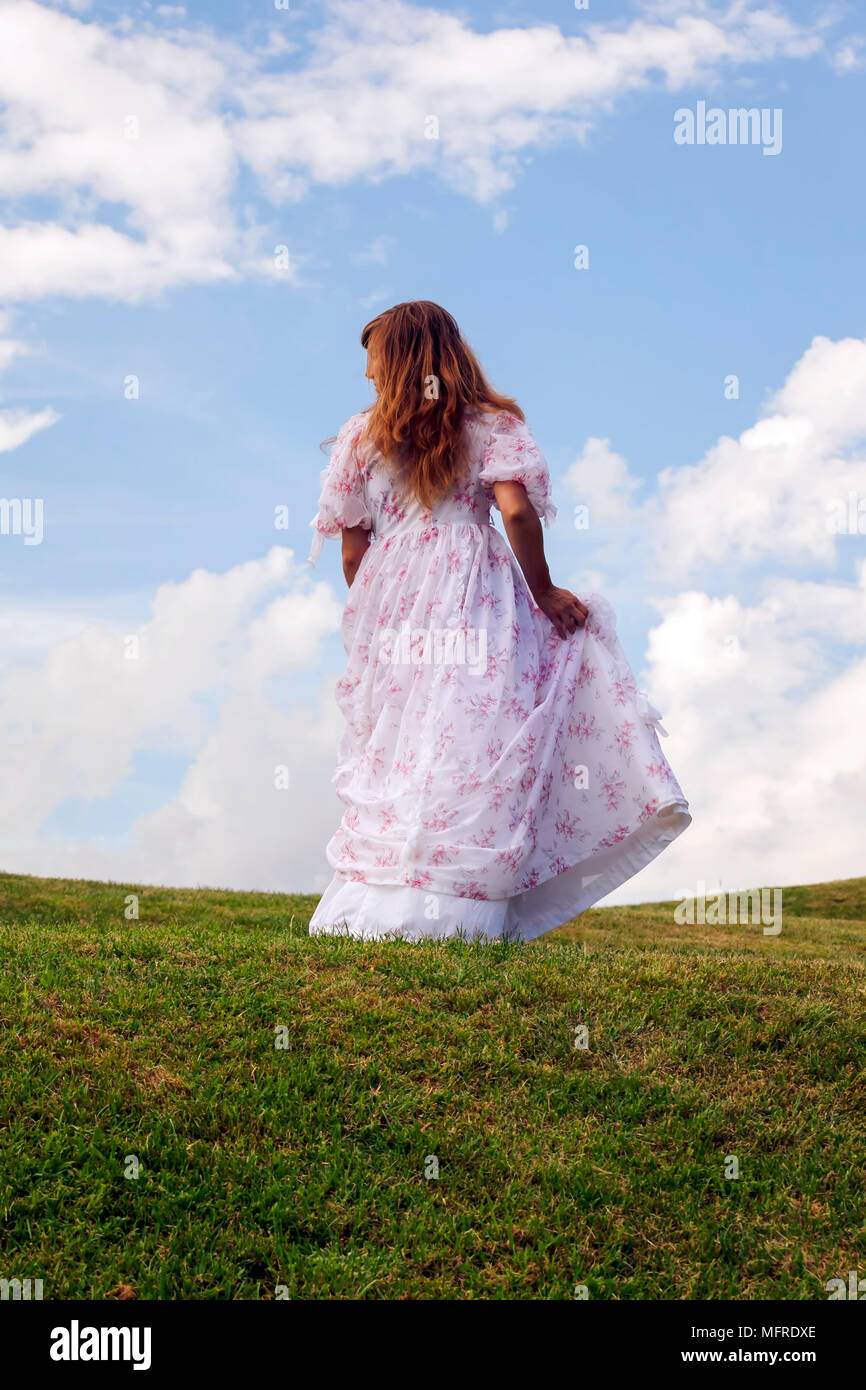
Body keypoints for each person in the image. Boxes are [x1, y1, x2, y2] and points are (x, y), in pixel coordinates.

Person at [308, 301, 690, 941]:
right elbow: (514, 512)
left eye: (374, 357)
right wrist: (543, 592)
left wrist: (382, 606)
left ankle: (368, 910)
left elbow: (352, 551)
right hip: (470, 587)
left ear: (401, 356)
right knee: (471, 733)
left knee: (401, 744)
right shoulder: (489, 424)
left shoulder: (359, 437)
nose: (369, 373)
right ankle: (459, 914)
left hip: (395, 596)